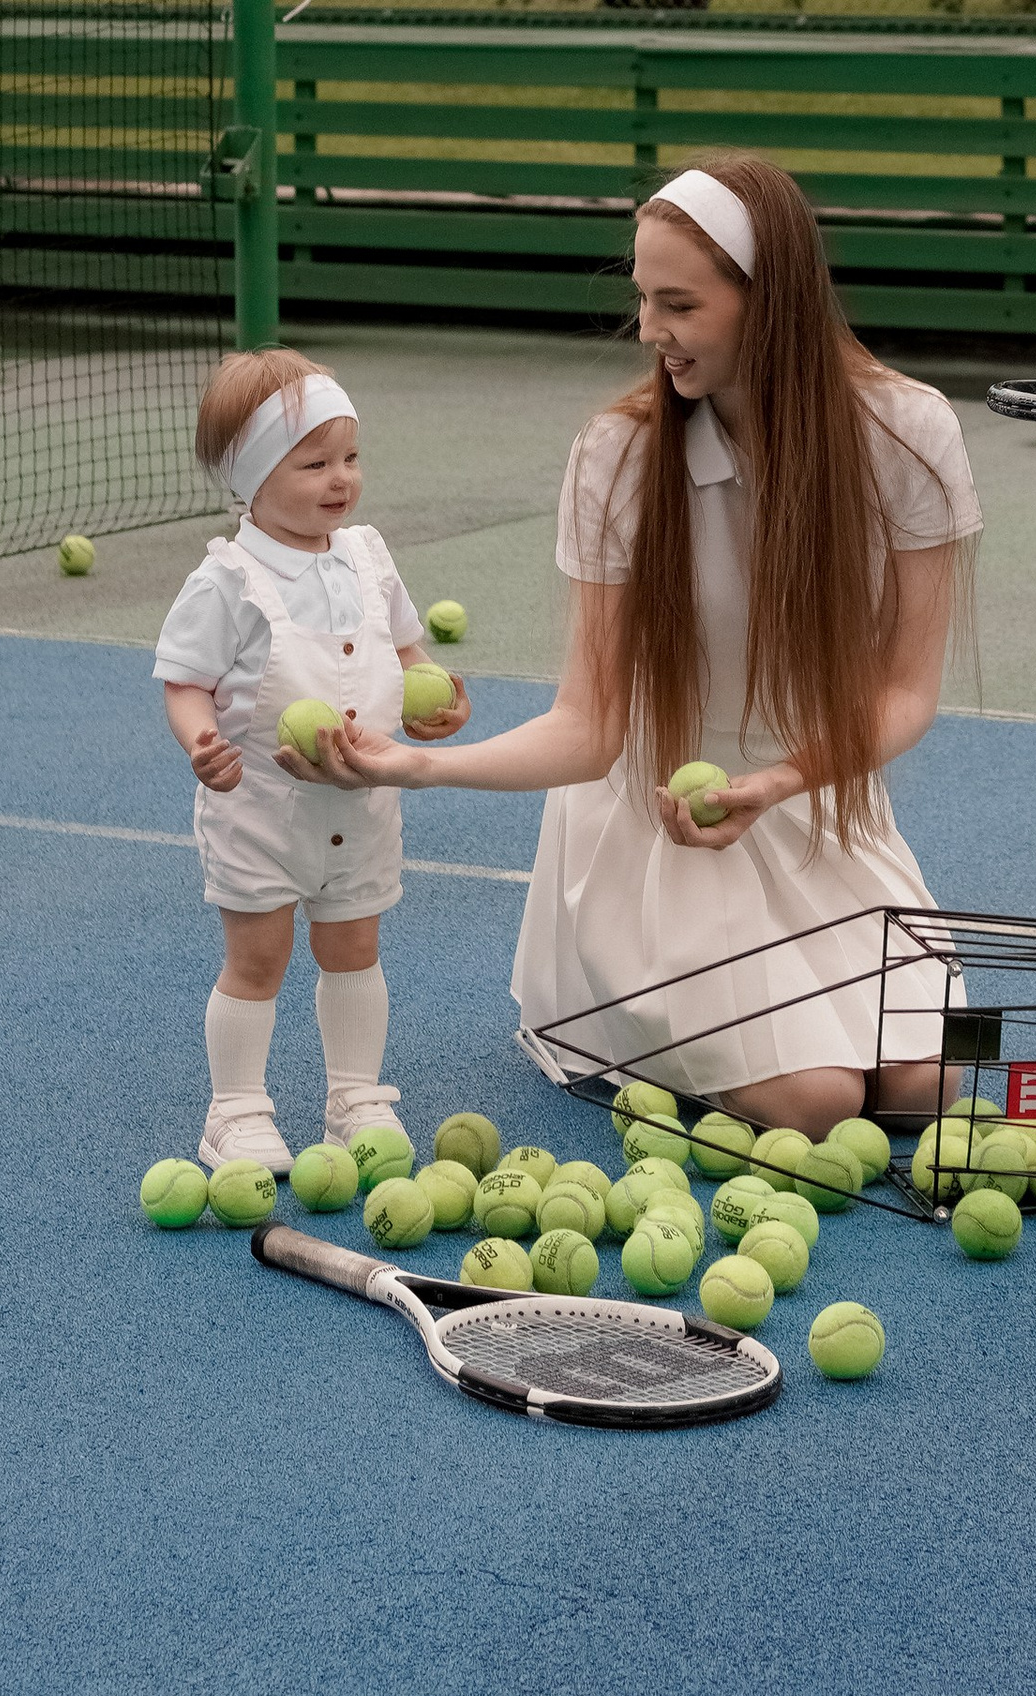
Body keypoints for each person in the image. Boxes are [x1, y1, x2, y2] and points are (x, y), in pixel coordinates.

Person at [286, 156, 983, 1141]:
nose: (650, 330)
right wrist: (413, 765)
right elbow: (589, 725)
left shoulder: (911, 431)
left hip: (814, 810)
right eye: (644, 299)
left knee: (938, 1081)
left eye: (679, 305)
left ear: (771, 301)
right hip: (657, 832)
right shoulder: (616, 454)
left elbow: (906, 694)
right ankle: (596, 1001)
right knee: (820, 1103)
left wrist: (778, 782)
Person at [154, 351, 469, 1172]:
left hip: (362, 806)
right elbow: (185, 682)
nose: (342, 479)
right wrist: (200, 742)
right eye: (314, 464)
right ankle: (234, 1112)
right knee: (258, 959)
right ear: (253, 478)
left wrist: (435, 700)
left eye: (351, 458)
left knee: (354, 950)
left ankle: (354, 1098)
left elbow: (407, 651)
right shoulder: (226, 578)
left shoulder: (367, 555)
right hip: (260, 810)